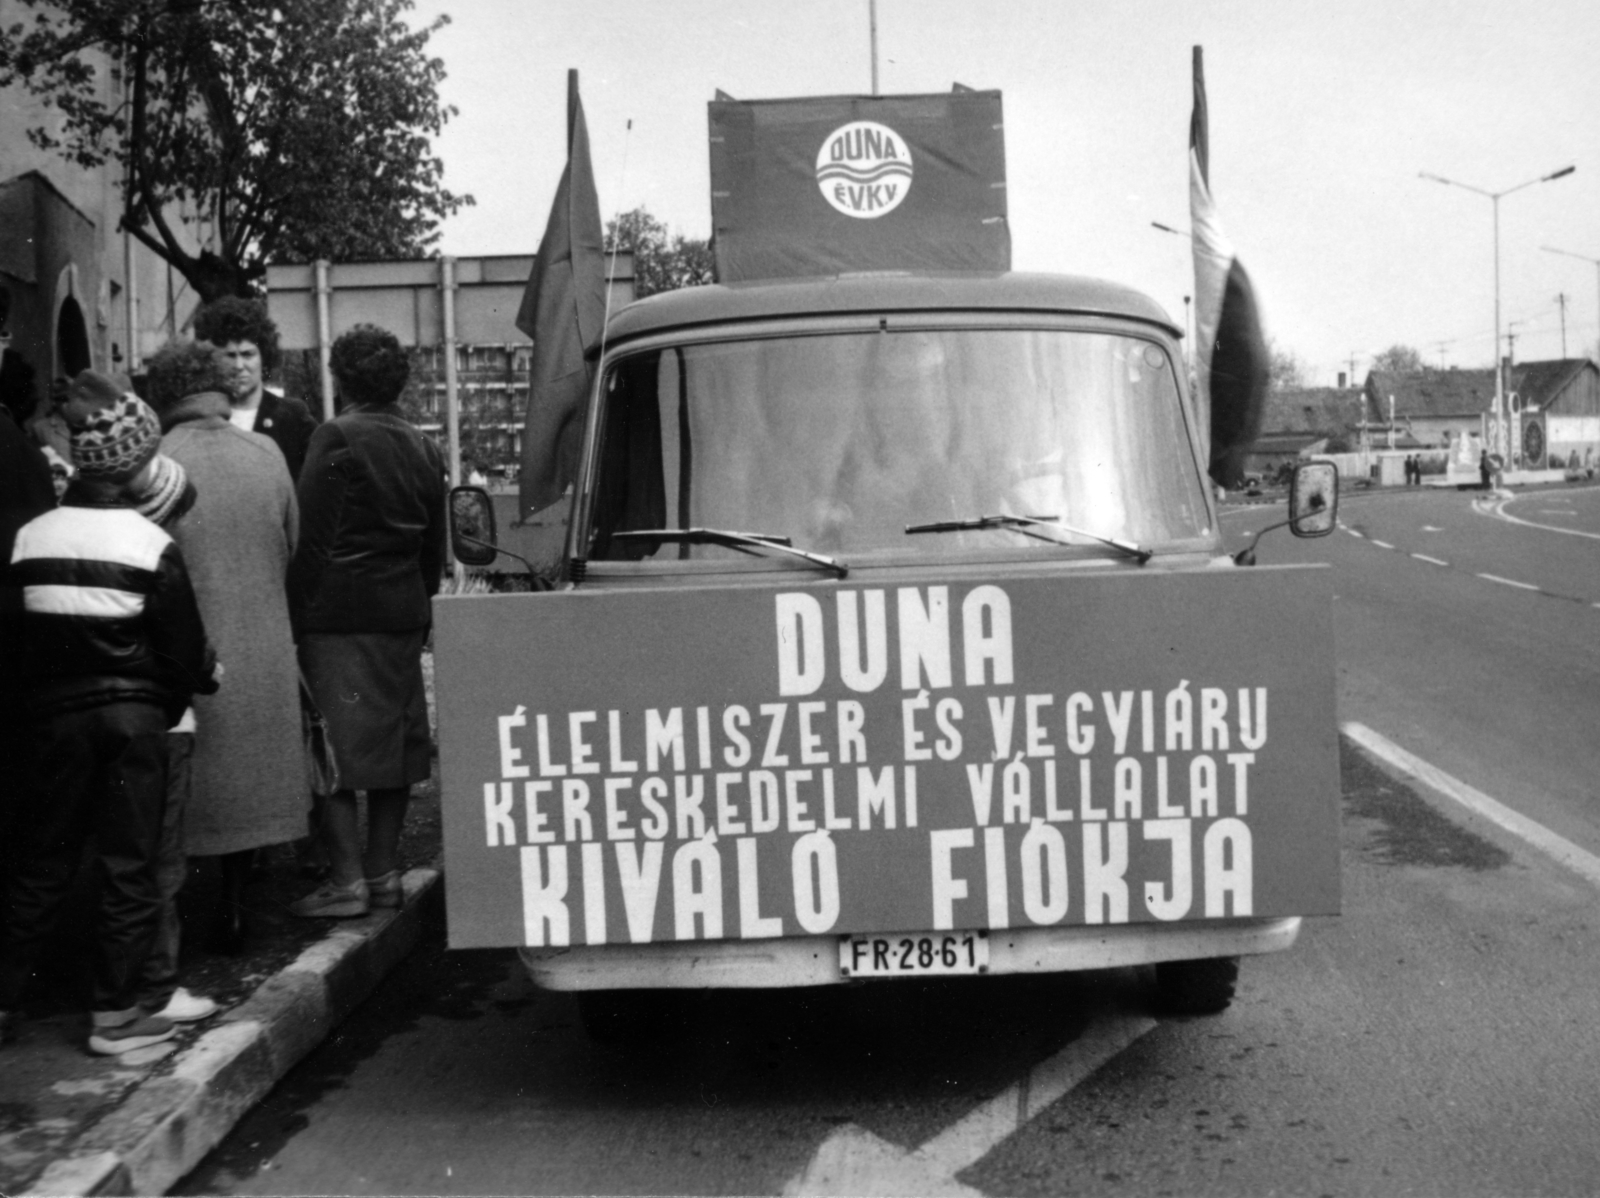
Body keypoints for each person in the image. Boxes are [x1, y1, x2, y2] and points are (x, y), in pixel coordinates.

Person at [0, 396, 221, 1054]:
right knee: (131, 865)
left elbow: (19, 640)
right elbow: (184, 655)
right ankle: (116, 1016)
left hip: (52, 723)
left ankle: (3, 1000)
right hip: (133, 724)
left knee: (42, 863)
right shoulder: (149, 545)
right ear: (138, 465)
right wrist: (175, 696)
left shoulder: (32, 536)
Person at [144, 341, 307, 954]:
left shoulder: (157, 460)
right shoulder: (265, 452)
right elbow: (292, 542)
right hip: (262, 643)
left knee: (187, 787)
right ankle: (236, 906)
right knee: (248, 782)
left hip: (185, 650)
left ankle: (172, 927)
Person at [289, 324, 445, 918]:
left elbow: (312, 543)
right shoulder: (424, 446)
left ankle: (346, 882)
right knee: (393, 751)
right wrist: (419, 606)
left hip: (337, 619)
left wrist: (294, 616)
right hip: (401, 613)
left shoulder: (335, 437)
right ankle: (382, 874)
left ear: (340, 377)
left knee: (331, 749)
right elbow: (433, 547)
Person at [192, 297, 319, 482]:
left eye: (247, 354)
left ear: (263, 357)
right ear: (212, 360)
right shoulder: (200, 417)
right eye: (230, 355)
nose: (239, 366)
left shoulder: (293, 417)